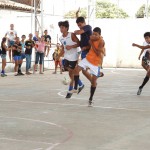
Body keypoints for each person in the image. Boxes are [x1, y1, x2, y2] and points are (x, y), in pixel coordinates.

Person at [74, 27, 105, 106]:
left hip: (95, 62)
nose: (94, 36)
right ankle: (76, 87)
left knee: (94, 82)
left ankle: (91, 98)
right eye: (93, 34)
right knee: (76, 70)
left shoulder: (101, 41)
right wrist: (91, 40)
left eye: (96, 34)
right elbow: (91, 38)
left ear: (100, 35)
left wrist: (91, 44)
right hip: (88, 59)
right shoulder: (93, 37)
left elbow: (98, 53)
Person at [56, 20, 80, 98]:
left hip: (73, 56)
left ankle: (70, 89)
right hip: (66, 56)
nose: (61, 29)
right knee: (69, 70)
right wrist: (59, 55)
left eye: (62, 27)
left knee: (71, 72)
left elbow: (79, 43)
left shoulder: (72, 35)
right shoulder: (61, 38)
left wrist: (71, 46)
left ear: (66, 28)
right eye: (60, 27)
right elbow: (63, 48)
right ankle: (79, 83)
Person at [74, 16, 92, 90]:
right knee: (84, 72)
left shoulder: (88, 27)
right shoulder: (83, 29)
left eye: (80, 25)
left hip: (89, 52)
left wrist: (75, 32)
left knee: (77, 69)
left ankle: (77, 86)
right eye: (78, 25)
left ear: (84, 22)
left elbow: (79, 32)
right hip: (84, 51)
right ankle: (92, 82)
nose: (79, 27)